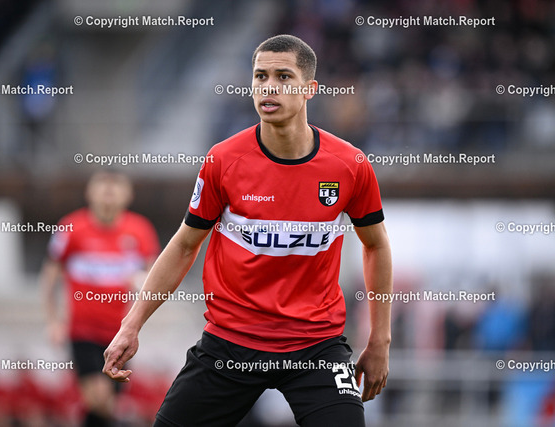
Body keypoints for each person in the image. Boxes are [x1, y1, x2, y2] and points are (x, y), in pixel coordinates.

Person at [103, 34, 392, 426]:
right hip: (231, 343)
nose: (269, 87)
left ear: (310, 89)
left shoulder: (349, 165)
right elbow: (185, 245)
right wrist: (132, 324)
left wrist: (379, 340)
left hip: (316, 346)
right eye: (260, 76)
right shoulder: (223, 160)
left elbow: (376, 246)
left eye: (283, 77)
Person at [40, 171, 160, 426]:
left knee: (107, 404)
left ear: (128, 194)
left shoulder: (140, 230)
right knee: (99, 396)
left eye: (115, 185)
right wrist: (53, 322)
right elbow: (49, 278)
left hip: (121, 332)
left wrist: (141, 291)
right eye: (102, 184)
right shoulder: (71, 227)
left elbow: (155, 278)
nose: (109, 190)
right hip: (82, 331)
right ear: (89, 192)